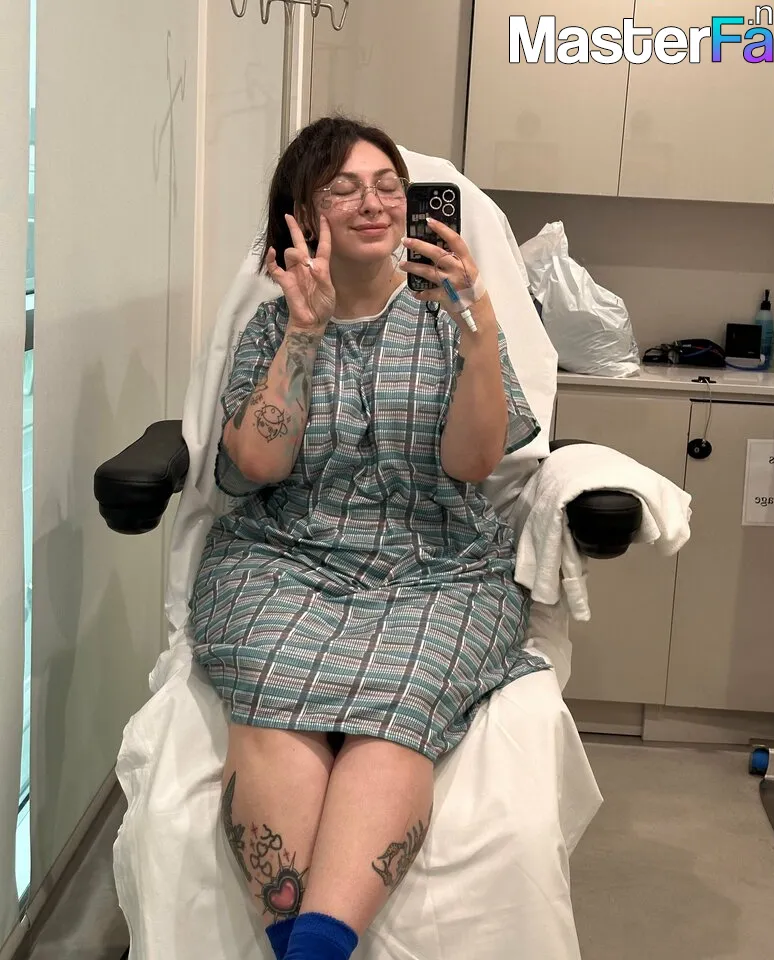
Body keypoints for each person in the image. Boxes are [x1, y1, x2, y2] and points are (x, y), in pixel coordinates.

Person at [189, 115, 551, 960]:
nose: (374, 203)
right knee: (271, 682)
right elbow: (258, 463)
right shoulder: (272, 327)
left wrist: (479, 328)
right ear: (300, 216)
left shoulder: (451, 319)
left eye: (389, 185)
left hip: (438, 565)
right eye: (343, 188)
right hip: (283, 557)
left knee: (400, 699)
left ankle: (314, 947)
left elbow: (472, 464)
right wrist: (305, 331)